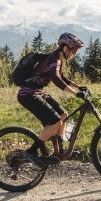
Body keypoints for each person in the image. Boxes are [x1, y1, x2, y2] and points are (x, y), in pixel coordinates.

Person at [16, 32, 88, 167]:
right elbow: (55, 79)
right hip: (28, 94)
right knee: (55, 122)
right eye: (74, 50)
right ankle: (31, 152)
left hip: (37, 92)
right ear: (65, 48)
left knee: (63, 115)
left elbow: (62, 77)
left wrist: (79, 87)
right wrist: (75, 93)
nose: (75, 54)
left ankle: (58, 152)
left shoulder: (57, 59)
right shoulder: (53, 59)